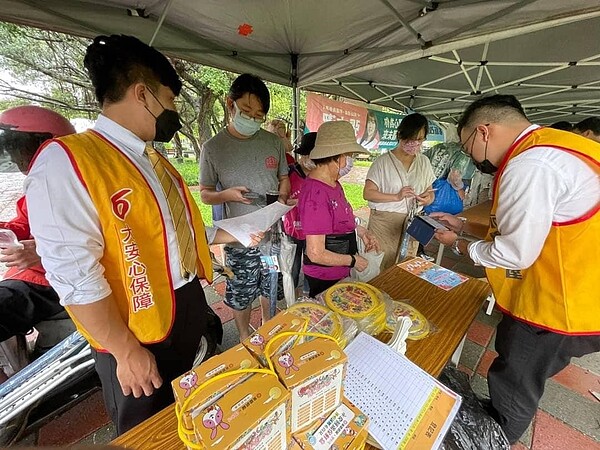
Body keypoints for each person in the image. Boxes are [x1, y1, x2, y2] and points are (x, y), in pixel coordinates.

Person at [23, 35, 258, 435]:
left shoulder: (153, 162)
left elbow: (169, 236)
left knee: (181, 416)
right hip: (133, 329)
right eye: (170, 101)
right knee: (143, 431)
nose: (173, 114)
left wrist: (231, 233)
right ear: (143, 94)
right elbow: (75, 276)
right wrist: (124, 349)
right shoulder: (70, 162)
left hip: (182, 305)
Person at [431, 94, 600, 444]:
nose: (471, 158)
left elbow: (515, 252)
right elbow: (535, 228)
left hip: (556, 308)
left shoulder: (531, 165)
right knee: (516, 372)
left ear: (483, 132)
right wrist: (463, 225)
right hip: (576, 295)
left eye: (466, 147)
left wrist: (458, 245)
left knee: (516, 383)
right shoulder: (555, 147)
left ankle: (495, 437)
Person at [200, 73, 291, 340]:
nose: (252, 119)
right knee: (242, 290)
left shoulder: (272, 142)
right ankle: (243, 336)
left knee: (270, 285)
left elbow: (283, 178)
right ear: (231, 104)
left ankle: (267, 327)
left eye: (259, 115)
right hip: (239, 238)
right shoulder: (213, 148)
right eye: (246, 111)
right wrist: (226, 194)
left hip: (272, 233)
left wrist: (283, 197)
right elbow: (205, 194)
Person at [0, 106, 76, 382]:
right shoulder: (37, 187)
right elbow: (22, 223)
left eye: (18, 149)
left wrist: (42, 255)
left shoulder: (71, 190)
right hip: (26, 279)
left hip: (51, 284)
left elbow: (90, 248)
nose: (15, 157)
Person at [298, 121, 379, 297]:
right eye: (349, 155)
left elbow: (339, 218)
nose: (349, 161)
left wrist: (360, 231)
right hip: (326, 277)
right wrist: (353, 260)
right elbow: (315, 253)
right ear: (338, 157)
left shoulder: (334, 184)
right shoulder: (316, 194)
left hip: (340, 271)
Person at [362, 113, 436, 270]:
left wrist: (427, 199)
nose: (415, 143)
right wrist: (396, 196)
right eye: (411, 139)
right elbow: (368, 193)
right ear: (400, 135)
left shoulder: (423, 162)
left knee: (405, 266)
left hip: (412, 221)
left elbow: (431, 193)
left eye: (420, 139)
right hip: (384, 223)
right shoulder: (382, 162)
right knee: (380, 265)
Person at [282, 132, 317, 291]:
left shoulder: (321, 176)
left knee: (312, 266)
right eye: (310, 155)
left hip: (315, 232)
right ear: (302, 155)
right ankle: (291, 296)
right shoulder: (289, 174)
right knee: (293, 268)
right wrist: (298, 202)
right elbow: (282, 200)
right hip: (293, 230)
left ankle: (309, 294)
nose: (313, 160)